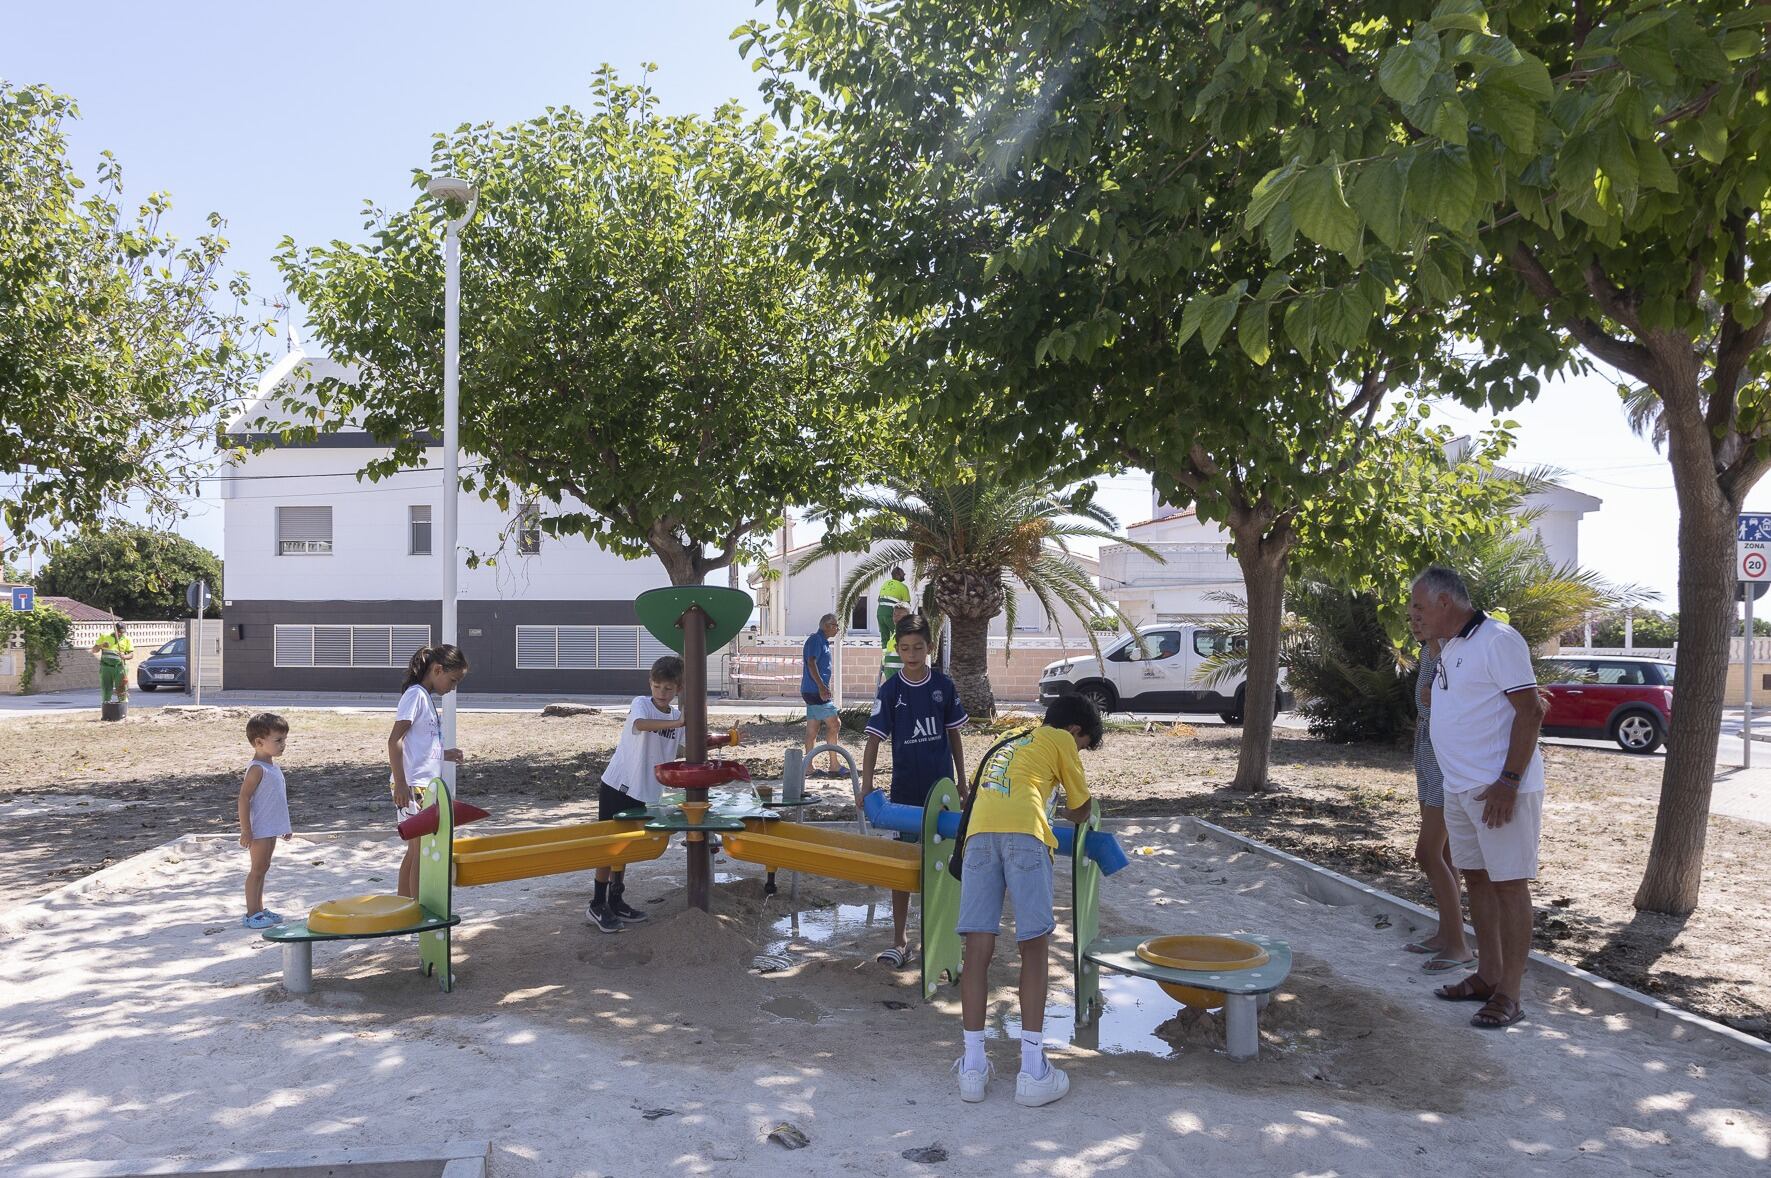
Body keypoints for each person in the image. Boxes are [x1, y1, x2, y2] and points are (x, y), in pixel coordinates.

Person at [1409, 566, 1547, 1031]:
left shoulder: (1498, 640)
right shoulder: (1451, 646)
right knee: (1478, 879)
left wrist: (1508, 781)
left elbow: (1531, 711)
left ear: (1446, 603)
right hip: (1459, 786)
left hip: (1498, 790)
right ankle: (1487, 975)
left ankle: (1510, 993)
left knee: (1509, 885)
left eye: (1419, 607)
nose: (1413, 616)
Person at [953, 694, 1100, 1106]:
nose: (1080, 751)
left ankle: (973, 1067)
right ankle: (1033, 1070)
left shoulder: (1013, 736)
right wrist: (1071, 810)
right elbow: (1081, 807)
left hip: (980, 837)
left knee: (977, 948)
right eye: (1084, 744)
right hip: (1026, 837)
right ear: (1075, 730)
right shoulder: (1062, 740)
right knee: (1033, 947)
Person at [589, 655, 734, 933]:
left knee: (625, 847)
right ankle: (597, 903)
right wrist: (679, 724)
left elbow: (691, 744)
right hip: (618, 785)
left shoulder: (675, 717)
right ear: (650, 684)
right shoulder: (641, 705)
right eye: (657, 687)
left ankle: (616, 899)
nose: (661, 693)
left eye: (668, 689)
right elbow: (642, 725)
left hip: (644, 791)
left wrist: (727, 739)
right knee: (607, 847)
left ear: (678, 689)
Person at [862, 613, 967, 967]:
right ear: (897, 649)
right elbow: (874, 741)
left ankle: (940, 936)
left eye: (918, 647)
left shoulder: (944, 686)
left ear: (929, 647)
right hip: (905, 791)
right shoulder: (890, 690)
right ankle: (899, 939)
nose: (911, 654)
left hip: (943, 790)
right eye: (905, 648)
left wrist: (963, 784)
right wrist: (865, 787)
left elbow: (954, 735)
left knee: (945, 861)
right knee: (903, 864)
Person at [1405, 619, 1473, 974]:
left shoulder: (1454, 653)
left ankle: (1459, 945)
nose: (1415, 620)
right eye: (1411, 613)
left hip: (1447, 757)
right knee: (1445, 853)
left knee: (1427, 851)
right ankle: (1447, 933)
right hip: (1427, 751)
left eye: (1421, 611)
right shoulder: (1427, 652)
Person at [388, 644, 469, 898]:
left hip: (421, 785)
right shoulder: (415, 695)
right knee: (421, 852)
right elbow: (394, 741)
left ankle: (403, 906)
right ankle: (415, 910)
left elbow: (418, 745)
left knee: (415, 851)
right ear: (437, 669)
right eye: (453, 680)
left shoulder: (424, 698)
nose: (453, 687)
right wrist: (401, 783)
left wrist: (444, 754)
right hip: (413, 787)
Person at [237, 712, 293, 929]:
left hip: (271, 827)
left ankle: (260, 908)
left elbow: (276, 800)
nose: (283, 744)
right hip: (259, 828)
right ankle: (252, 913)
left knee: (264, 867)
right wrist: (246, 829)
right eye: (278, 740)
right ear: (259, 742)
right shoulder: (257, 769)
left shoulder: (273, 767)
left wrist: (284, 826)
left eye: (284, 740)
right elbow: (243, 798)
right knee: (257, 869)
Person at [802, 613, 844, 778]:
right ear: (826, 626)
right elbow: (811, 663)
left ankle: (808, 767)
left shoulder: (822, 642)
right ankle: (834, 765)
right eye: (835, 625)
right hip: (815, 691)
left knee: (812, 730)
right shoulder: (816, 640)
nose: (837, 628)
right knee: (835, 724)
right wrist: (821, 687)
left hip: (812, 690)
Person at [92, 623, 134, 707]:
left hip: (120, 667)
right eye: (119, 632)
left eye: (122, 632)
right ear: (114, 629)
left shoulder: (127, 639)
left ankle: (122, 706)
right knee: (106, 687)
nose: (120, 634)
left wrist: (124, 656)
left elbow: (131, 655)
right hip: (106, 667)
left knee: (122, 687)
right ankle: (106, 705)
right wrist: (101, 645)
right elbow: (94, 650)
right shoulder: (105, 636)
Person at [877, 566, 912, 645]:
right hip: (891, 613)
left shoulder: (885, 584)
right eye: (903, 574)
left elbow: (879, 599)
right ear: (898, 575)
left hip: (880, 613)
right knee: (898, 634)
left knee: (884, 637)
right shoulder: (903, 587)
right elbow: (907, 605)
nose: (904, 575)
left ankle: (885, 655)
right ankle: (897, 655)